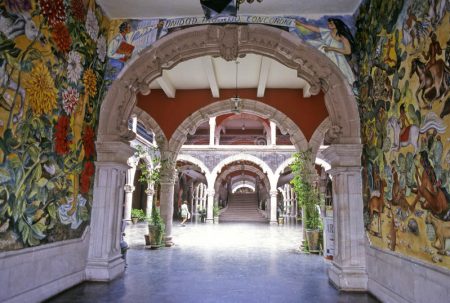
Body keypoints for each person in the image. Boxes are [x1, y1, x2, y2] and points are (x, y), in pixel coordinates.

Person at [295, 18, 356, 85]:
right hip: (328, 57)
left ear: (336, 25)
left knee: (342, 78)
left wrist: (331, 48)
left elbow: (348, 51)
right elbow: (315, 29)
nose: (329, 24)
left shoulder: (342, 36)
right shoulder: (328, 32)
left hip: (338, 60)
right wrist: (300, 24)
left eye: (331, 23)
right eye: (329, 23)